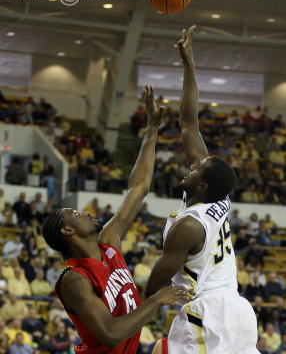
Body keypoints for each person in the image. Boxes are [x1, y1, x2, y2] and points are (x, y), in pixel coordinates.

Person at [42, 86, 188, 353]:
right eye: (75, 214)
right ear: (66, 230)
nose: (84, 212)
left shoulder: (108, 242)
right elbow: (110, 334)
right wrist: (155, 300)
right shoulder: (74, 279)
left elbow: (139, 187)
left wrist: (151, 130)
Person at [145, 26, 259, 354]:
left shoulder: (188, 225)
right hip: (237, 310)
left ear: (203, 184)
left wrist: (137, 310)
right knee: (159, 349)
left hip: (207, 314)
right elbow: (188, 125)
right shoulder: (216, 197)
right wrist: (189, 65)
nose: (190, 165)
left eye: (195, 168)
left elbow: (157, 281)